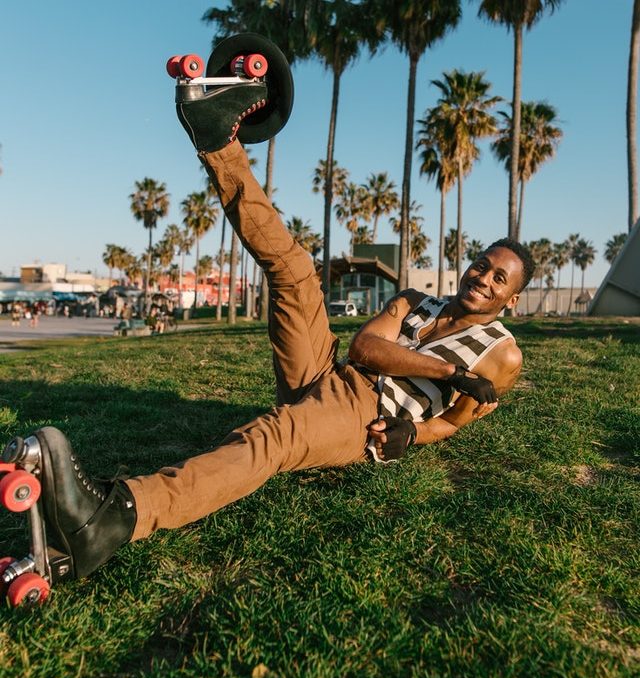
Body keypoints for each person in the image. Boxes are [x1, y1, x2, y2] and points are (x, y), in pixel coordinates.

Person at [3, 73, 534, 582]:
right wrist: (446, 370)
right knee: (295, 270)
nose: (484, 278)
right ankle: (216, 140)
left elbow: (457, 421)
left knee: (272, 438)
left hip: (363, 416)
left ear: (511, 297)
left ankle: (115, 517)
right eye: (482, 265)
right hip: (330, 370)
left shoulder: (501, 355)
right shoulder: (417, 300)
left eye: (499, 278)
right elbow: (366, 348)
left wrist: (412, 433)